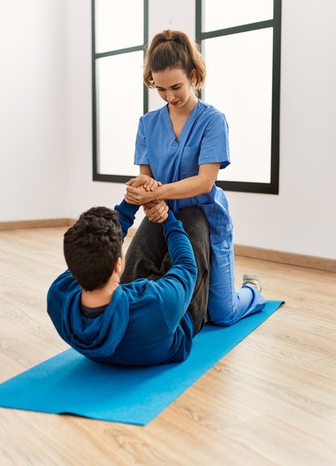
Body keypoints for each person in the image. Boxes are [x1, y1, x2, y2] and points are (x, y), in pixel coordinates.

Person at [123, 29, 266, 326]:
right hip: (163, 214)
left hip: (205, 217)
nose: (169, 96)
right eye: (160, 89)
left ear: (192, 75)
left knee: (222, 315)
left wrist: (154, 195)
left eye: (176, 86)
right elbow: (146, 179)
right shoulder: (147, 123)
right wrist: (149, 200)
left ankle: (252, 289)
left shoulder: (212, 120)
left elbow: (204, 182)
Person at [46, 197, 210, 366]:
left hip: (144, 308)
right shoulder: (158, 303)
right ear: (118, 264)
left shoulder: (57, 295)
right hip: (174, 318)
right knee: (192, 214)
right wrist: (169, 221)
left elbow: (106, 237)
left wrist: (133, 200)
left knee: (154, 217)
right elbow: (187, 266)